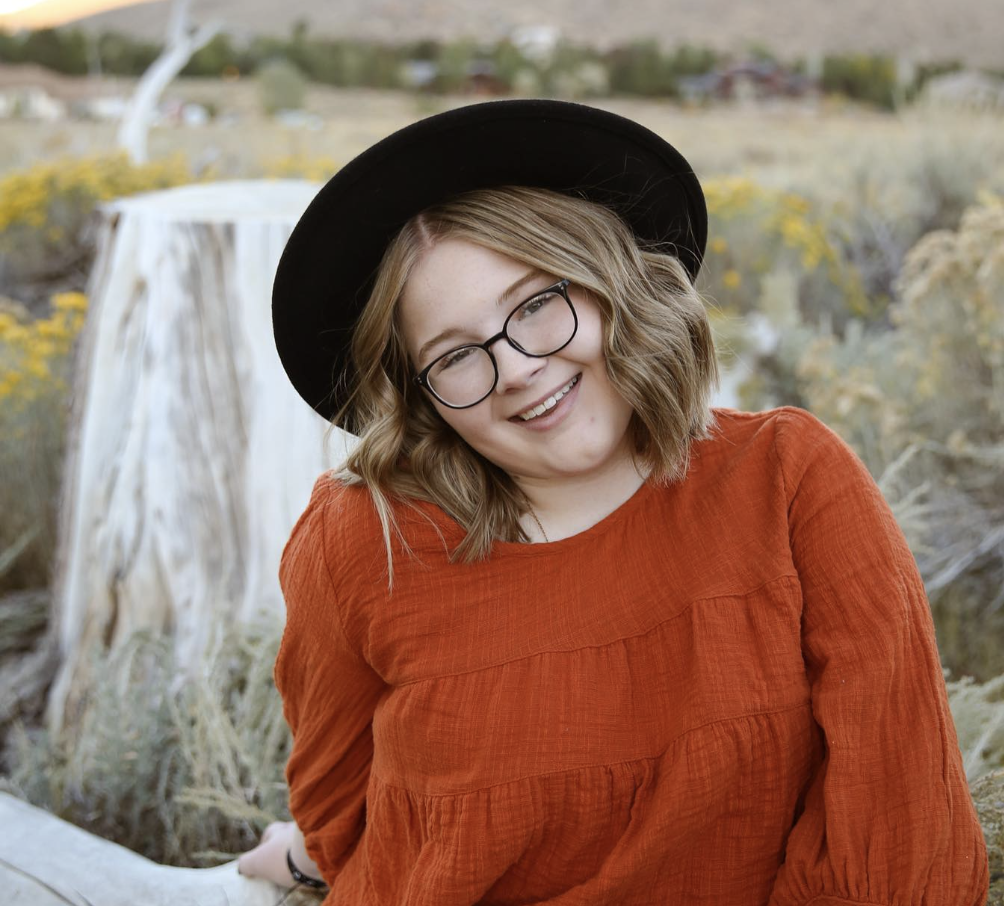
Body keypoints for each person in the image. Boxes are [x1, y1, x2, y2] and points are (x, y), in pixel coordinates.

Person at [237, 99, 989, 905]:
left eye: (533, 305)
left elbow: (903, 842)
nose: (519, 367)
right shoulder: (361, 540)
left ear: (608, 284)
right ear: (424, 401)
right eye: (456, 354)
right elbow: (337, 808)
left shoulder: (789, 483)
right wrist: (305, 860)